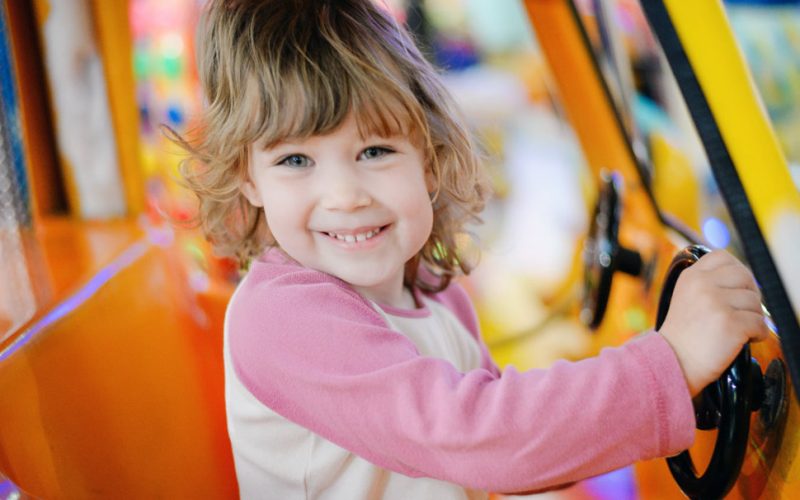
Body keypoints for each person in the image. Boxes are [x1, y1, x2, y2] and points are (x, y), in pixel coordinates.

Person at [174, 0, 769, 498]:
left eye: (375, 151)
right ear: (248, 178)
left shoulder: (431, 292)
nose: (345, 196)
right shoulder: (281, 317)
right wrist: (671, 362)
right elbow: (473, 434)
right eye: (295, 161)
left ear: (428, 161)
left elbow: (502, 450)